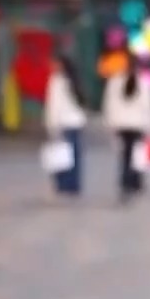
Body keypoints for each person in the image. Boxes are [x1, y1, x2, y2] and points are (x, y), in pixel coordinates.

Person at [101, 55, 150, 202]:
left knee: (125, 155)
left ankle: (125, 182)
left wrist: (109, 123)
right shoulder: (144, 83)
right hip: (137, 124)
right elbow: (148, 106)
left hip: (121, 124)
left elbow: (109, 104)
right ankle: (134, 182)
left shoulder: (114, 82)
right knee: (136, 155)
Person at [43, 54, 87, 197]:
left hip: (63, 123)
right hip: (76, 123)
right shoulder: (74, 81)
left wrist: (51, 124)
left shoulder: (56, 81)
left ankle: (64, 185)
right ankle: (74, 185)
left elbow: (54, 106)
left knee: (62, 157)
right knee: (74, 157)